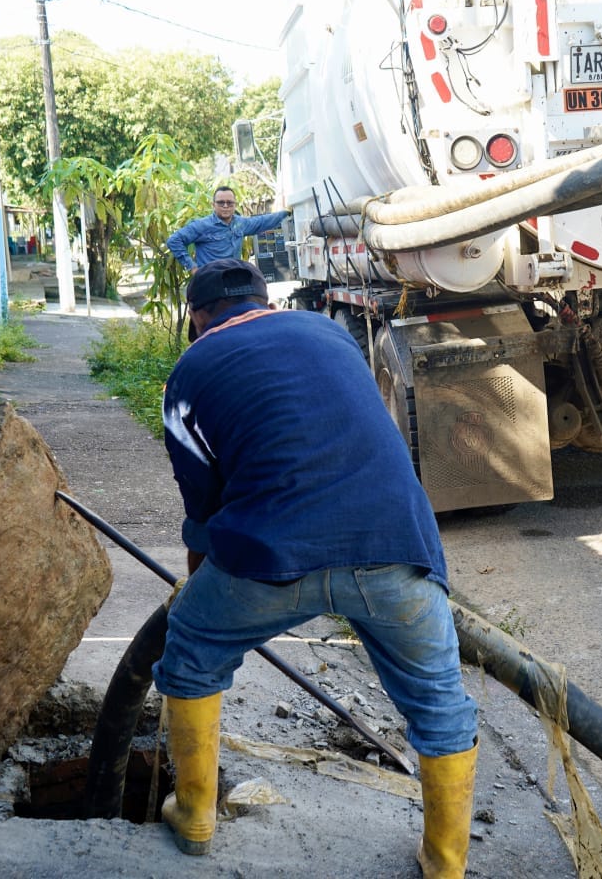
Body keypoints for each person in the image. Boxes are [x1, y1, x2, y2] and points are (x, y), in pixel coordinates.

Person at [152, 259, 479, 878]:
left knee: (191, 651)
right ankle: (445, 865)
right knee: (439, 703)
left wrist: (201, 592)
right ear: (264, 301)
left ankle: (195, 813)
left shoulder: (189, 373)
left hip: (272, 558)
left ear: (197, 318)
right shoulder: (330, 332)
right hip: (395, 547)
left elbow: (203, 510)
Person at [166, 186, 288, 273]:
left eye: (229, 203)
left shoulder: (240, 223)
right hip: (210, 281)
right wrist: (192, 267)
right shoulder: (202, 226)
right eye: (221, 203)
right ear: (213, 205)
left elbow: (262, 221)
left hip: (234, 280)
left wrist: (286, 211)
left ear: (235, 205)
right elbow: (174, 240)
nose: (225, 206)